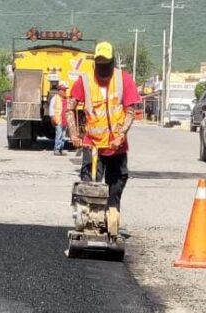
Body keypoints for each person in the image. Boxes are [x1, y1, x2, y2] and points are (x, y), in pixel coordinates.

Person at [66, 42, 141, 233]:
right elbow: (70, 107)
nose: (102, 67)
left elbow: (130, 110)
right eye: (99, 63)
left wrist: (121, 134)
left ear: (112, 62)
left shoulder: (123, 79)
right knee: (89, 183)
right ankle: (90, 220)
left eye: (105, 63)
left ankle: (111, 217)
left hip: (117, 145)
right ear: (94, 64)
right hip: (92, 144)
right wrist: (74, 134)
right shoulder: (84, 81)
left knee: (116, 183)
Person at [49, 82, 69, 155]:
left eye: (65, 90)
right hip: (58, 120)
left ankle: (61, 149)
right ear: (60, 91)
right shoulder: (55, 98)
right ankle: (56, 149)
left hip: (65, 120)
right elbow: (51, 108)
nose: (65, 92)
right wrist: (52, 117)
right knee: (59, 134)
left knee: (63, 136)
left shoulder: (66, 99)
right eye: (63, 90)